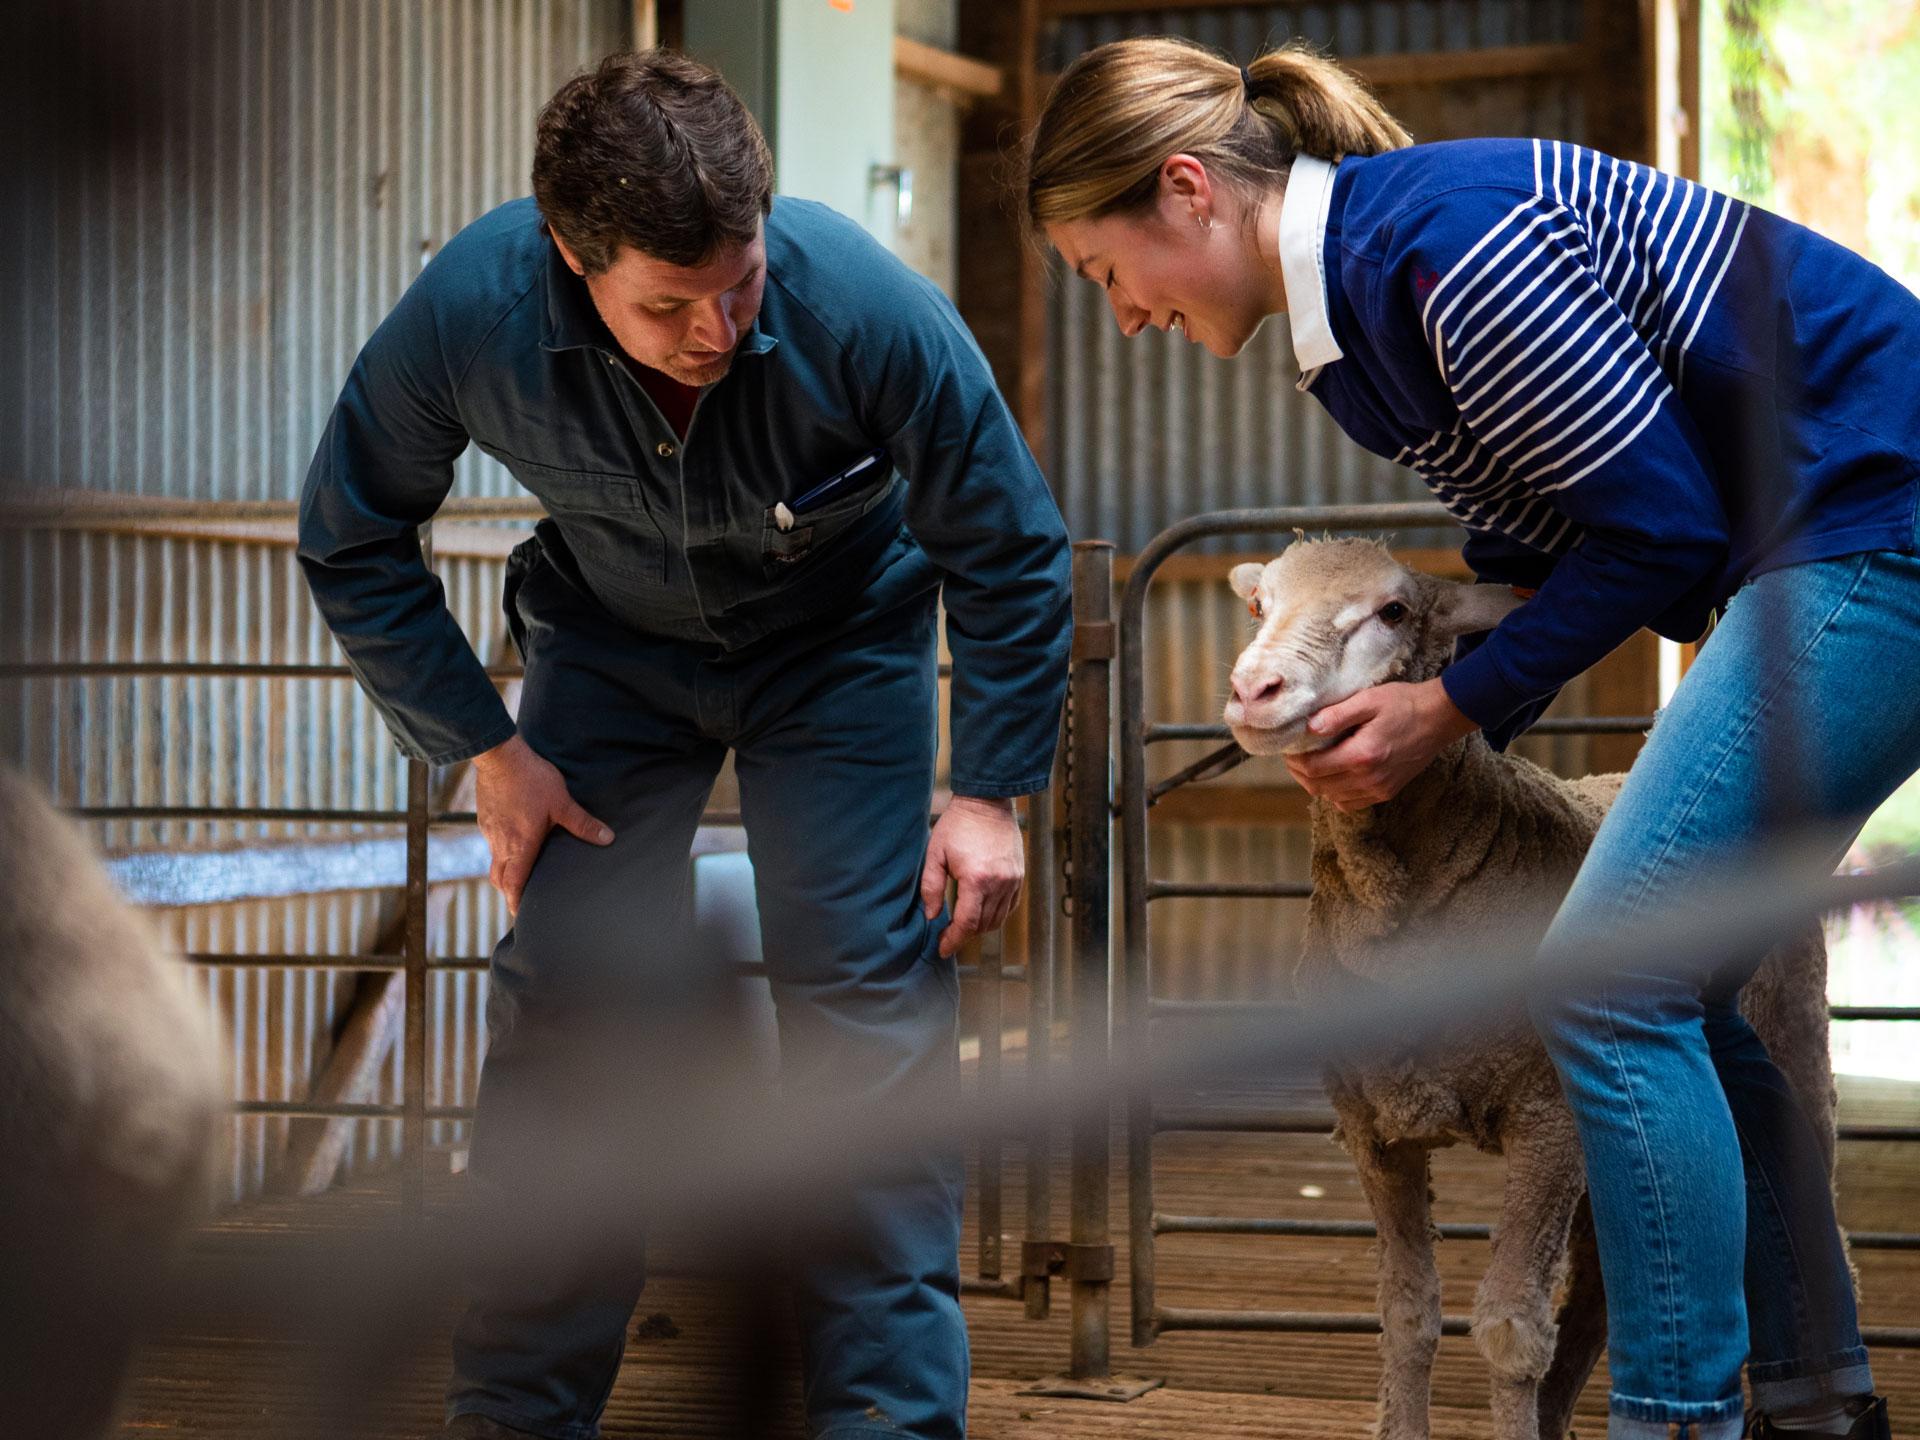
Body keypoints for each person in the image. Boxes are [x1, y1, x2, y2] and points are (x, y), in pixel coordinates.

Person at [1023, 33, 1920, 1440]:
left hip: (1878, 527)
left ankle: (1677, 1420)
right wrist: (1438, 725)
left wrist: (1447, 707)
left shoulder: (1455, 256)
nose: (1123, 315)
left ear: (1188, 190)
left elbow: (1664, 527)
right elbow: (1536, 540)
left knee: (1612, 986)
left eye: (1103, 273)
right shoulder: (1362, 326)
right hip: (1819, 547)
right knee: (1678, 991)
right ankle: (1818, 1399)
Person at [298, 48, 1070, 1440]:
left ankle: (889, 1424)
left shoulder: (869, 309)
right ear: (568, 257)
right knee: (572, 1012)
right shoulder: (471, 313)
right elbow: (352, 533)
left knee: (869, 1019)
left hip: (839, 656)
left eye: (743, 285)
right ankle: (517, 1415)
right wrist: (483, 742)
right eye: (669, 306)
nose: (717, 330)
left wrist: (994, 790)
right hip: (611, 653)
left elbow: (1010, 544)